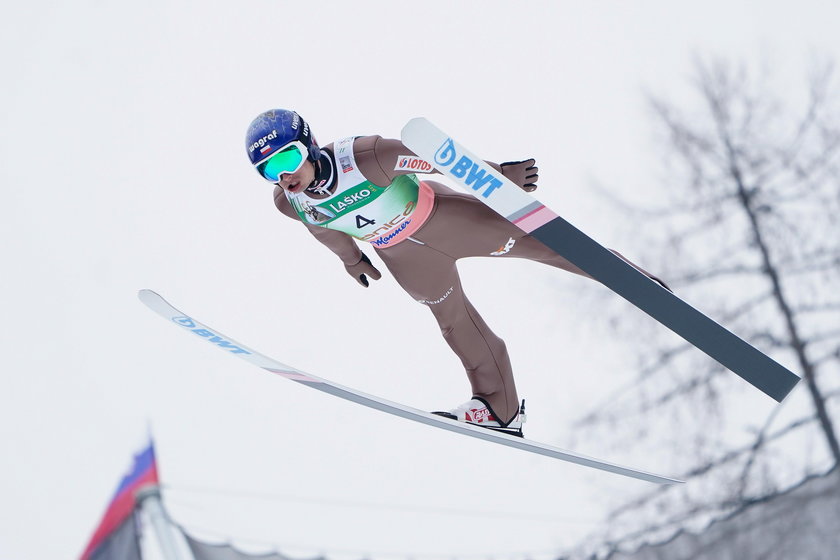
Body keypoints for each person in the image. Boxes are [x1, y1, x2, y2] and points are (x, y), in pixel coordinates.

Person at [246, 108, 668, 437]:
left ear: (310, 145)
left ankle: (632, 282)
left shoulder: (367, 157)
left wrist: (497, 175)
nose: (283, 175)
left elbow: (436, 161)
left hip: (447, 220)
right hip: (405, 259)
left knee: (545, 242)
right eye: (268, 170)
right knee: (454, 323)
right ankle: (498, 408)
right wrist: (351, 260)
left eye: (288, 157)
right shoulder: (290, 203)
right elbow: (321, 229)